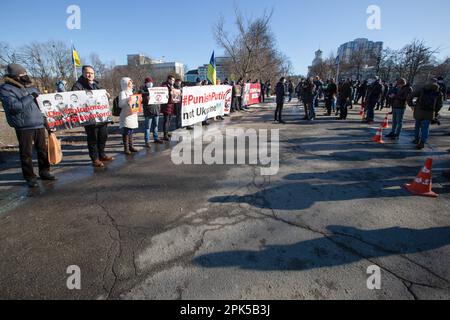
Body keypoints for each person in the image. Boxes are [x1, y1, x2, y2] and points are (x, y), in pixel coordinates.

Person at [0, 64, 56, 187]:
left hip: (38, 123)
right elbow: (14, 107)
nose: (25, 76)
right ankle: (30, 176)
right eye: (21, 75)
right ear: (14, 76)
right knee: (26, 153)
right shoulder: (6, 89)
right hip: (24, 125)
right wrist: (30, 97)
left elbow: (41, 106)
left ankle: (44, 171)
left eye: (25, 73)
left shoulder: (31, 87)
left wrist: (47, 122)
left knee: (42, 150)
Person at [72, 65, 113, 168]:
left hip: (101, 116)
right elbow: (74, 99)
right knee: (93, 138)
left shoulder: (96, 84)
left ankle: (102, 154)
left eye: (91, 73)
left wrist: (107, 95)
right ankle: (95, 158)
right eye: (87, 73)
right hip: (89, 117)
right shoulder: (78, 85)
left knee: (103, 136)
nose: (89, 75)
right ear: (83, 73)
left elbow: (102, 99)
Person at [407, 78, 443, 150]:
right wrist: (435, 111)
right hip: (429, 112)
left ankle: (416, 139)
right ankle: (422, 142)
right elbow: (440, 105)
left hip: (419, 111)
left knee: (417, 126)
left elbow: (410, 96)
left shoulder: (422, 89)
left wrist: (411, 105)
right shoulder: (439, 92)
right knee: (425, 128)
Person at [140, 77, 163, 148]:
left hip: (156, 110)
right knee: (148, 127)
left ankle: (156, 138)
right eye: (148, 82)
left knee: (155, 125)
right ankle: (147, 141)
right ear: (145, 83)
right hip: (148, 112)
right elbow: (140, 99)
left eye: (151, 82)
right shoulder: (142, 91)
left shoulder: (155, 90)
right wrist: (146, 96)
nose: (150, 84)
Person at [118, 77, 139, 155]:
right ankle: (126, 148)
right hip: (126, 115)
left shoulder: (131, 92)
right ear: (125, 84)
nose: (131, 84)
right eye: (130, 83)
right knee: (126, 131)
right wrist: (128, 101)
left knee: (131, 131)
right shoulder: (122, 92)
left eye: (131, 83)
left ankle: (131, 146)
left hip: (132, 114)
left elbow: (134, 102)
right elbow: (121, 105)